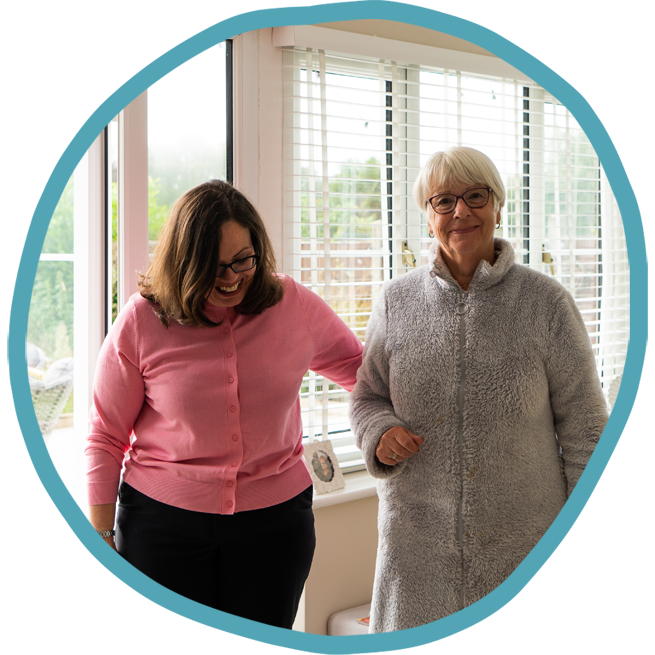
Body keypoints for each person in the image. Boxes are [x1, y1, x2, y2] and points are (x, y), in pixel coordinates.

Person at [349, 147, 609, 633]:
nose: (460, 211)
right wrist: (379, 431)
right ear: (428, 217)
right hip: (416, 550)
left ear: (498, 205)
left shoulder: (546, 303)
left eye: (475, 196)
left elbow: (586, 428)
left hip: (524, 548)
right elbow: (368, 396)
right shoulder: (396, 301)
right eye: (443, 201)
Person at [86, 180, 363, 629]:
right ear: (184, 263)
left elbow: (359, 368)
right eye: (215, 268)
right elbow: (105, 435)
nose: (232, 278)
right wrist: (101, 534)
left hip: (275, 527)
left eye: (243, 261)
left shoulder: (292, 304)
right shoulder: (142, 319)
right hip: (161, 526)